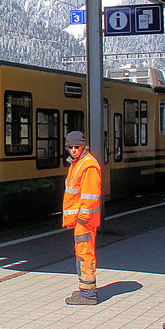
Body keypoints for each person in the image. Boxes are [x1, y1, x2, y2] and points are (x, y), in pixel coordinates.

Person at [62, 130, 102, 305]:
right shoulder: (77, 163)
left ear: (84, 146)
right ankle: (85, 290)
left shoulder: (88, 165)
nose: (73, 149)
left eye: (77, 146)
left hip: (85, 221)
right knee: (81, 253)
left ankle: (88, 295)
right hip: (80, 220)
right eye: (70, 147)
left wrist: (83, 218)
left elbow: (90, 195)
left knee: (85, 254)